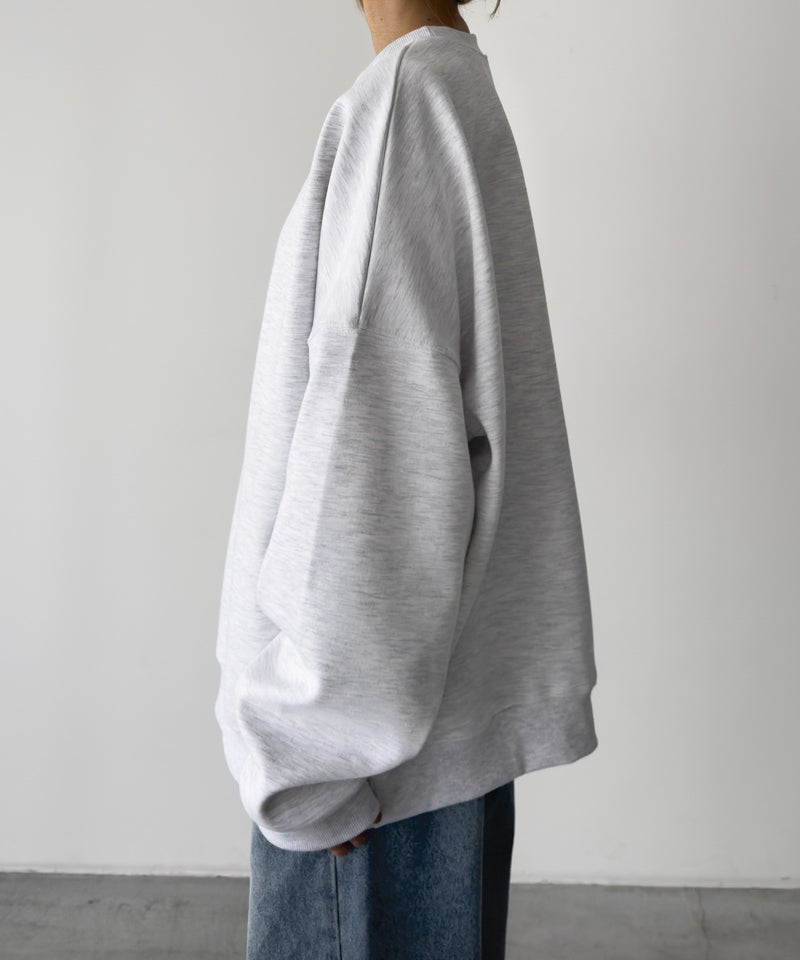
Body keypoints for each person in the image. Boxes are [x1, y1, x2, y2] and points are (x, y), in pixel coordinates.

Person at [213, 1, 598, 957]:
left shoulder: (406, 104)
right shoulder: (453, 85)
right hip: (425, 745)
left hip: (369, 784)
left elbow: (376, 455)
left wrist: (307, 762)